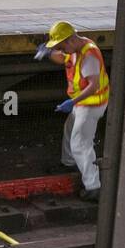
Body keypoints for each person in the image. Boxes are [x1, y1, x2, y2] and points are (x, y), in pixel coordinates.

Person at [35, 20, 109, 200]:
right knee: (70, 130)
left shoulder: (89, 55)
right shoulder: (75, 48)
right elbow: (64, 59)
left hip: (91, 103)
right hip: (81, 103)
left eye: (60, 46)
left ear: (69, 41)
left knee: (81, 143)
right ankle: (69, 163)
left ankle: (94, 187)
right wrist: (48, 53)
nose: (61, 50)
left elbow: (93, 85)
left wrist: (72, 102)